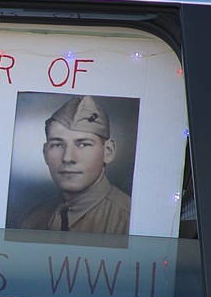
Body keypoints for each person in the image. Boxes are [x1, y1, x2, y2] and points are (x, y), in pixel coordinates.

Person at [20, 95, 131, 234]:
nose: (68, 157)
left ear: (108, 151)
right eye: (57, 145)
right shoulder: (32, 219)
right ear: (45, 153)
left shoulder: (129, 221)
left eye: (83, 144)